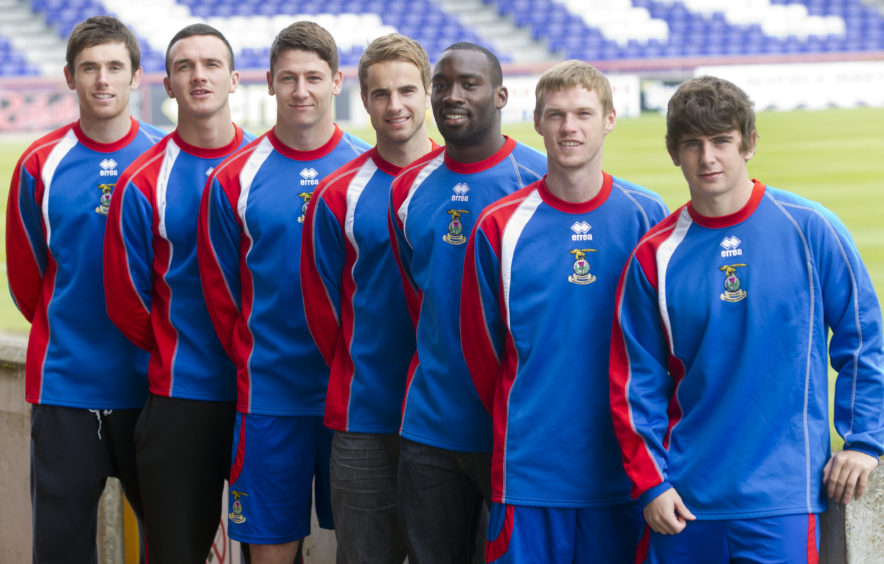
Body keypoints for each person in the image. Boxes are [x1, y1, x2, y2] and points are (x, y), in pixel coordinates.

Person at [609, 75, 883, 563]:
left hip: (784, 499)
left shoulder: (810, 228)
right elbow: (634, 383)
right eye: (692, 144)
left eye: (721, 141)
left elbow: (862, 335)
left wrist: (863, 439)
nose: (707, 158)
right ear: (674, 152)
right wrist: (650, 483)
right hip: (684, 501)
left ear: (749, 144)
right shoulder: (655, 256)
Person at [460, 60, 668, 563]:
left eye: (582, 114)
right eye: (555, 115)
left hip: (624, 473)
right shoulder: (498, 226)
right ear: (536, 122)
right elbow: (480, 348)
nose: (569, 127)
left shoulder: (647, 216)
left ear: (610, 119)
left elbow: (665, 345)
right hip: (531, 473)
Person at [197, 21, 369, 563]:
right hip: (270, 399)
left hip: (357, 401)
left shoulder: (370, 170)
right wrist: (257, 358)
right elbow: (222, 295)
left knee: (369, 550)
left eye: (314, 77)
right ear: (268, 82)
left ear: (338, 81)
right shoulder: (232, 179)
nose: (301, 90)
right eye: (289, 78)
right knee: (271, 553)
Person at [5, 15, 162, 563]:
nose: (102, 80)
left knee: (170, 545)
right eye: (90, 68)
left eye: (115, 67)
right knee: (62, 550)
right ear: (70, 77)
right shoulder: (37, 166)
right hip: (68, 390)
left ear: (137, 76)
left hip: (153, 388)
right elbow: (28, 281)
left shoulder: (167, 159)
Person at [388, 42, 546, 562]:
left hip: (516, 432)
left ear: (501, 94)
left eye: (469, 84)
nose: (452, 96)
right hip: (430, 429)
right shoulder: (409, 188)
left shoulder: (541, 181)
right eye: (443, 84)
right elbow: (419, 300)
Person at [102, 23, 253, 563]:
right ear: (166, 84)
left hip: (263, 396)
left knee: (275, 548)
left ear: (234, 79)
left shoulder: (263, 169)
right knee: (175, 553)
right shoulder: (143, 180)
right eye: (185, 66)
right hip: (182, 395)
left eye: (211, 64)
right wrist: (180, 345)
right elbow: (127, 300)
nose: (199, 76)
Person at [299, 33, 437, 563]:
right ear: (364, 101)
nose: (395, 105)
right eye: (381, 94)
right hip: (364, 419)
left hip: (447, 419)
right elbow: (321, 310)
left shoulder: (461, 183)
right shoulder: (338, 195)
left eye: (407, 90)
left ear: (427, 93)